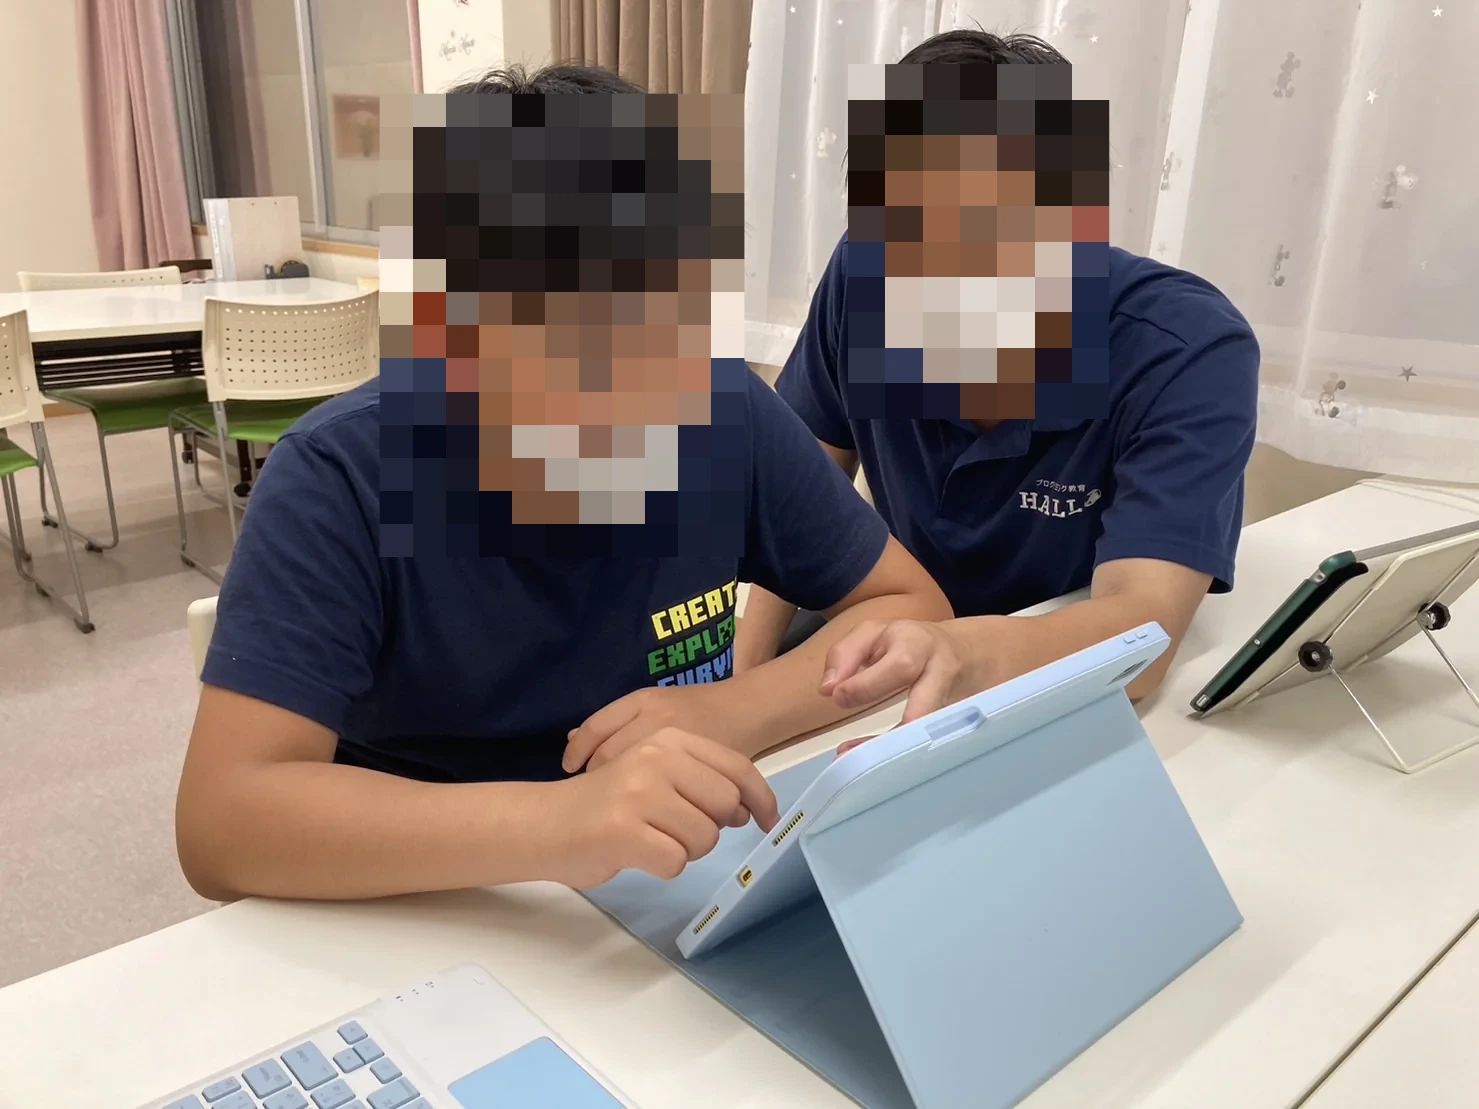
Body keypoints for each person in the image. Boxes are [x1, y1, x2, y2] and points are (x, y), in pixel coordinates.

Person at [174, 63, 951, 904]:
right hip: (432, 903)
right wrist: (561, 821)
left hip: (663, 887)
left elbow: (909, 604)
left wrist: (733, 709)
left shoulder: (723, 412)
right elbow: (222, 823)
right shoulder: (340, 476)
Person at [737, 30, 1260, 724]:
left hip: (1049, 663)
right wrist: (741, 675)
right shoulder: (866, 279)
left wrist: (957, 651)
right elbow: (795, 501)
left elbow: (1141, 634)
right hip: (899, 628)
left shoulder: (1183, 348)